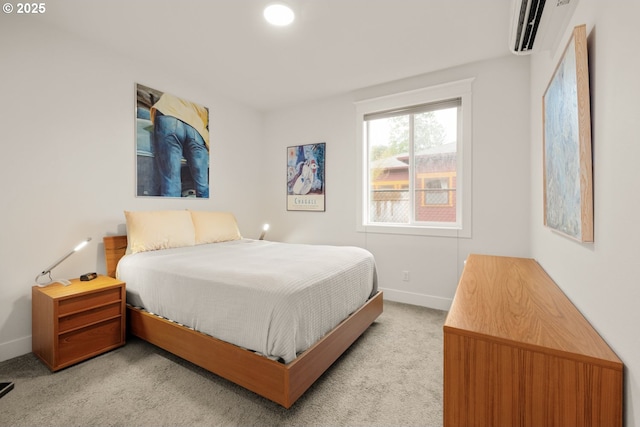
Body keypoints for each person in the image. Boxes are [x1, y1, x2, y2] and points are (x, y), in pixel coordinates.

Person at [150, 93, 210, 197]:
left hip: (169, 114)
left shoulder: (172, 96)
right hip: (196, 128)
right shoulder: (200, 105)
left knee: (171, 184)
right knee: (203, 187)